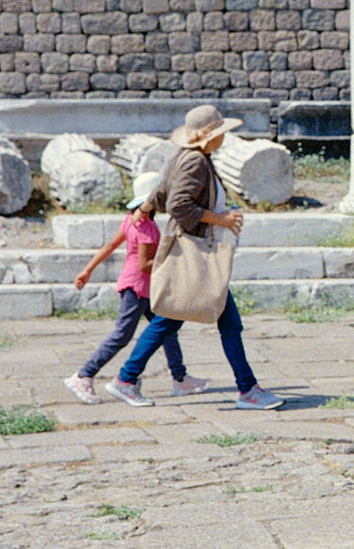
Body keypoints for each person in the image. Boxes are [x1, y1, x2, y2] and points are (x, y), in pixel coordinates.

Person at [109, 104, 284, 411]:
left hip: (193, 251)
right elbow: (178, 204)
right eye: (221, 133)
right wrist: (223, 220)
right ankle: (246, 389)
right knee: (187, 321)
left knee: (183, 321)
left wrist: (146, 207)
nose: (224, 138)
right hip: (194, 253)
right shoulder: (196, 163)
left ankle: (128, 378)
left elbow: (162, 192)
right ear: (209, 137)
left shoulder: (188, 158)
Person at [63, 171, 208, 405]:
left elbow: (111, 244)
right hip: (138, 288)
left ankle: (180, 378)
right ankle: (83, 375)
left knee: (167, 330)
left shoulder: (131, 220)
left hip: (143, 288)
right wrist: (174, 259)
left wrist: (88, 269)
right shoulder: (147, 228)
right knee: (122, 335)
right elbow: (144, 265)